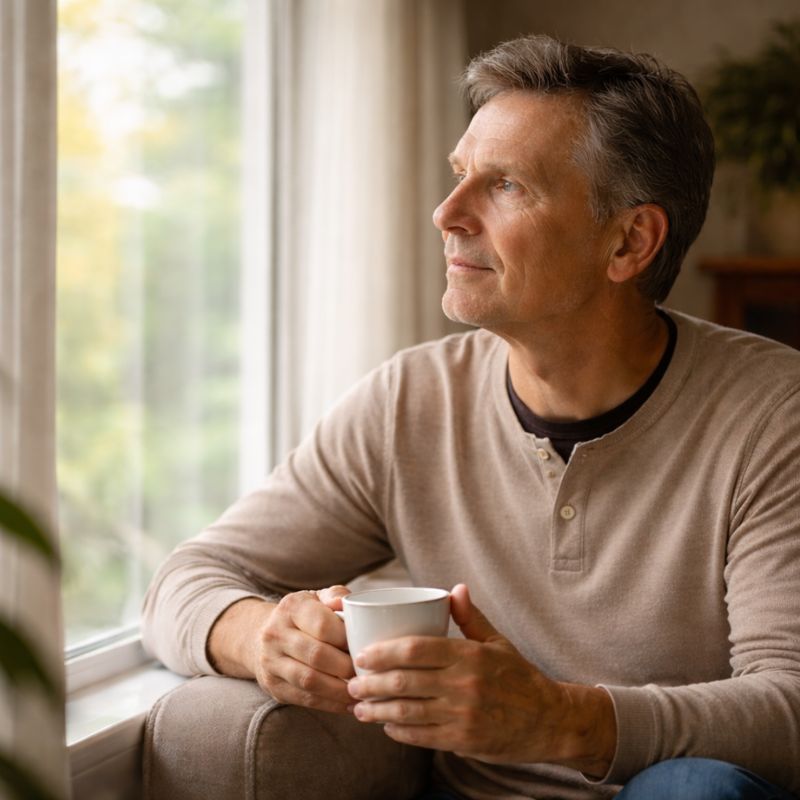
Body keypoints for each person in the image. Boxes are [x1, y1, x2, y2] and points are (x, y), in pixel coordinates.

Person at [142, 34, 800, 800]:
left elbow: (789, 707)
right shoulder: (409, 402)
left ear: (629, 241)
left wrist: (564, 722)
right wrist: (259, 637)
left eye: (507, 186)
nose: (447, 213)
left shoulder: (773, 415)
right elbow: (183, 581)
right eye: (460, 177)